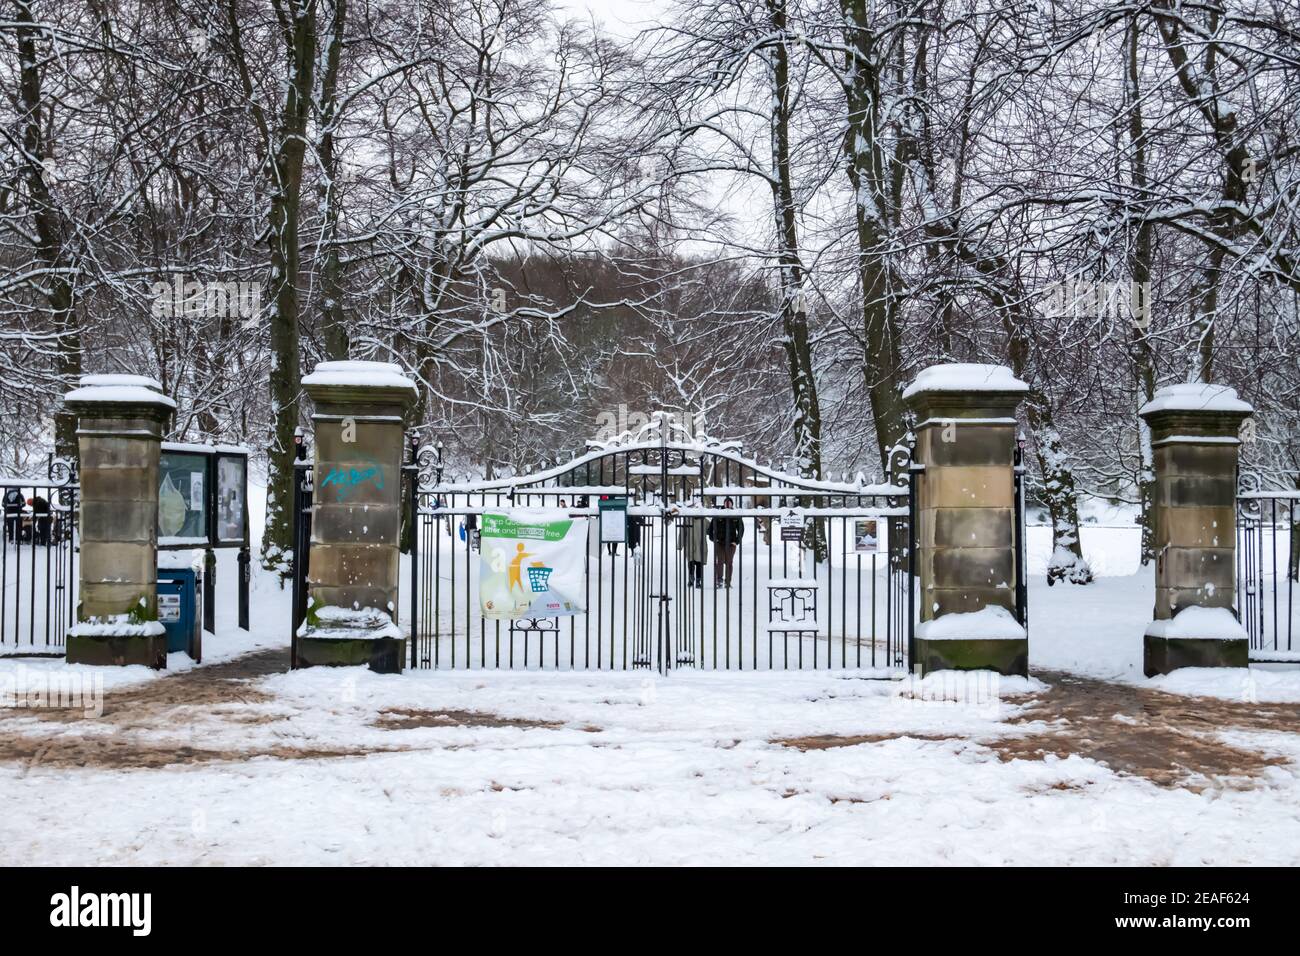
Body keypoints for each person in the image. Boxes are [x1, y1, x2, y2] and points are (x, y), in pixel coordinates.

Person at [708, 496, 744, 588]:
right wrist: (713, 538)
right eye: (726, 502)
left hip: (731, 543)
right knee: (719, 562)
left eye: (729, 502)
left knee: (729, 562)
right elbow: (711, 528)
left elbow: (741, 529)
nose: (728, 504)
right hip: (719, 542)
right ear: (724, 504)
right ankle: (719, 580)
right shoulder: (718, 513)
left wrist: (737, 541)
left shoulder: (735, 514)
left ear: (732, 504)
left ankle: (727, 582)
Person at [676, 506, 708, 588]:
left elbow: (711, 529)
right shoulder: (687, 520)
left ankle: (698, 581)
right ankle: (691, 578)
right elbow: (682, 533)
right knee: (690, 563)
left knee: (699, 564)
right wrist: (680, 544)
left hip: (700, 545)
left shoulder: (704, 520)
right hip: (689, 545)